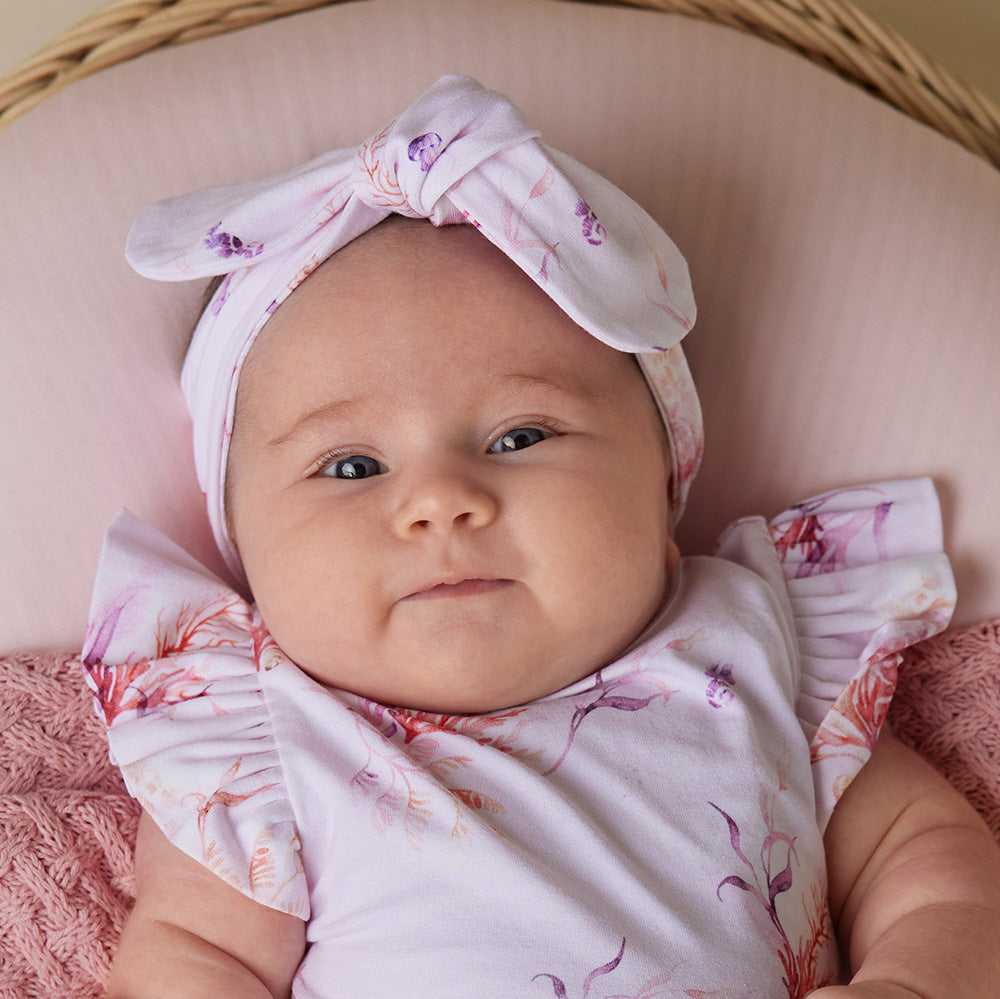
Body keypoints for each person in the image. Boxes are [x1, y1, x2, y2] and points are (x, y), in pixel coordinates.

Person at [83, 76, 1000, 999]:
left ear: (663, 485)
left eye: (520, 437)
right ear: (245, 544)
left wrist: (912, 982)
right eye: (353, 466)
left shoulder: (752, 650)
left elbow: (923, 853)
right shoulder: (266, 746)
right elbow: (188, 965)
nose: (441, 502)